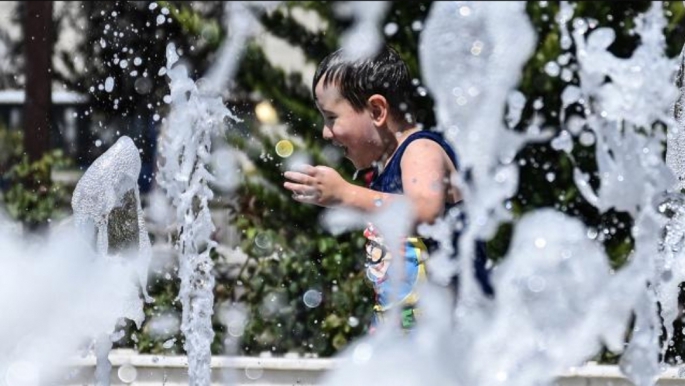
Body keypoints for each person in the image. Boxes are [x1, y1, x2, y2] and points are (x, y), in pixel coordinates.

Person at [283, 45, 492, 332]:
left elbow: (425, 209)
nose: (325, 132)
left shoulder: (420, 149)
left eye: (331, 117)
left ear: (377, 110)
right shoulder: (385, 173)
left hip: (459, 334)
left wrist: (345, 194)